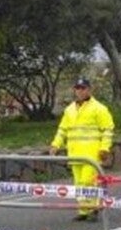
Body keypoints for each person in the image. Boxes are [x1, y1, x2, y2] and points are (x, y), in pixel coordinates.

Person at [49, 77, 115, 221]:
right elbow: (63, 130)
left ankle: (93, 209)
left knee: (88, 182)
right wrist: (55, 144)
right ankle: (84, 210)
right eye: (77, 88)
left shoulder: (99, 108)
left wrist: (105, 148)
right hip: (75, 154)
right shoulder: (69, 110)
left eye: (83, 88)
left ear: (89, 90)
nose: (80, 91)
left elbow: (107, 129)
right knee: (79, 184)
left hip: (91, 154)